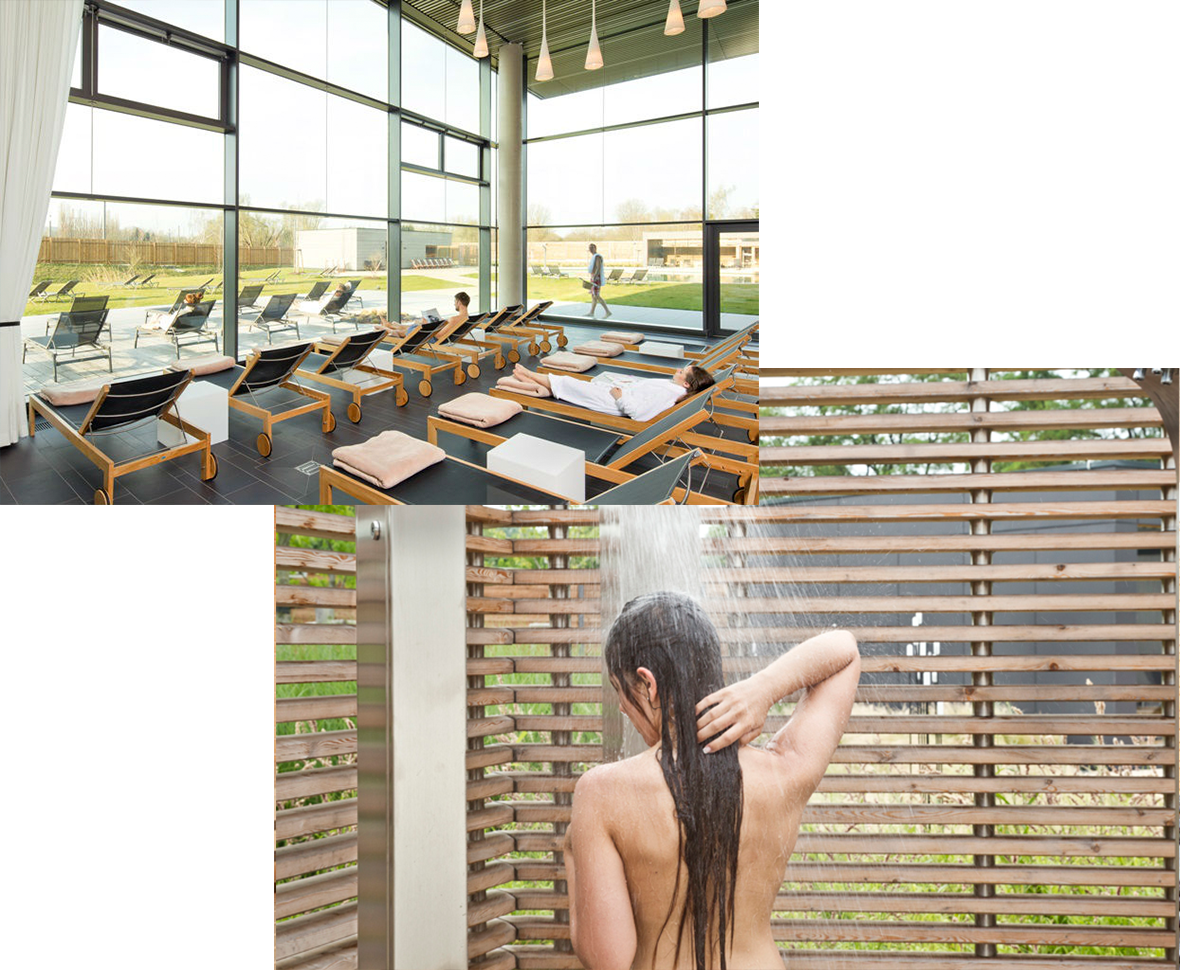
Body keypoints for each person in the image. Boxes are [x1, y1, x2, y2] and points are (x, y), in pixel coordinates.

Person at [565, 592, 860, 970]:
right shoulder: (784, 770)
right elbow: (844, 650)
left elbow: (608, 959)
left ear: (647, 684)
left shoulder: (602, 792)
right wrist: (765, 689)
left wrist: (572, 851)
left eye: (619, 689)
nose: (621, 706)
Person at [509, 362, 714, 422]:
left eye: (683, 372)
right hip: (616, 394)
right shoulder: (672, 388)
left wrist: (619, 395)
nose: (679, 370)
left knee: (569, 382)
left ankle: (530, 375)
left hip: (613, 403)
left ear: (686, 384)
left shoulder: (668, 394)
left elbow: (639, 413)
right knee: (574, 384)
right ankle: (533, 379)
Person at [585, 243, 611, 318]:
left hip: (596, 278)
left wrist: (595, 277)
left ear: (595, 248)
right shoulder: (594, 256)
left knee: (596, 295)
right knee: (593, 296)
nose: (590, 249)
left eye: (592, 247)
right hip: (593, 277)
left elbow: (598, 268)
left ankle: (608, 311)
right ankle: (591, 312)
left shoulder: (597, 257)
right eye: (589, 248)